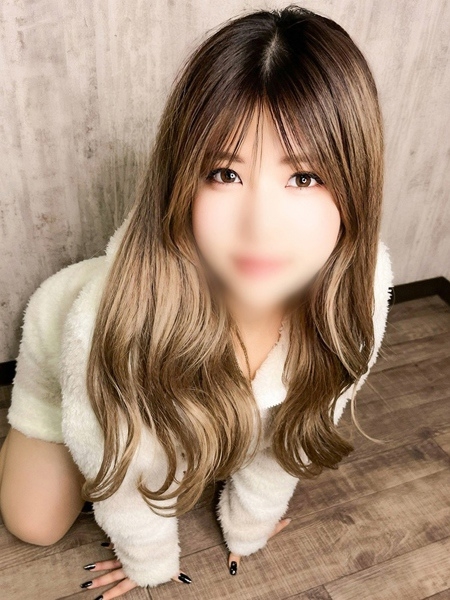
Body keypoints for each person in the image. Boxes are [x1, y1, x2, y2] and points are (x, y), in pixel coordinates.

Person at [0, 4, 394, 598]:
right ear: (182, 180)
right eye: (225, 174)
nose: (260, 226)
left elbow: (300, 423)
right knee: (35, 524)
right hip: (66, 373)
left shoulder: (362, 288)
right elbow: (119, 472)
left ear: (354, 186)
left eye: (304, 178)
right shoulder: (112, 321)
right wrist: (147, 561)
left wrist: (250, 526)